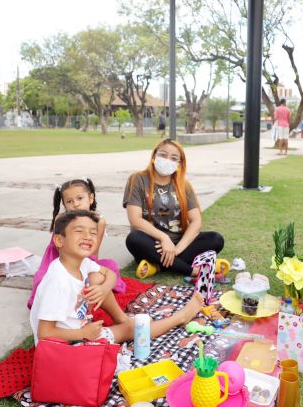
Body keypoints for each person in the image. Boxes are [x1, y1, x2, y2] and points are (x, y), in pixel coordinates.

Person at [30, 210, 204, 345]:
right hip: (68, 346)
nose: (88, 237)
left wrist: (104, 288)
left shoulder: (81, 263)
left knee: (99, 278)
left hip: (78, 329)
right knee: (136, 331)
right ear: (59, 241)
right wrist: (82, 334)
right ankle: (180, 318)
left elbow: (109, 274)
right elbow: (44, 333)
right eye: (79, 231)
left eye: (92, 232)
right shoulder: (58, 281)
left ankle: (122, 320)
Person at [124, 139, 224, 277]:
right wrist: (163, 238)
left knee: (216, 239)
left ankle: (158, 267)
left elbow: (196, 221)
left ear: (179, 163)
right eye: (163, 155)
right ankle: (191, 270)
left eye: (174, 158)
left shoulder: (184, 184)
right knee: (134, 238)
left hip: (179, 244)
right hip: (152, 244)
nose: (167, 160)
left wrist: (176, 249)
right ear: (154, 156)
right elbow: (135, 220)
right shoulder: (138, 179)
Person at [28, 178, 125, 309]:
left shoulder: (99, 222)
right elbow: (62, 253)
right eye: (69, 201)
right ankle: (77, 300)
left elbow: (93, 253)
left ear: (90, 198)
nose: (75, 204)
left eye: (80, 198)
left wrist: (92, 270)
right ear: (64, 204)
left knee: (107, 269)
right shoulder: (61, 220)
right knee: (46, 283)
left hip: (85, 260)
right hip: (61, 260)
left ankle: (89, 299)